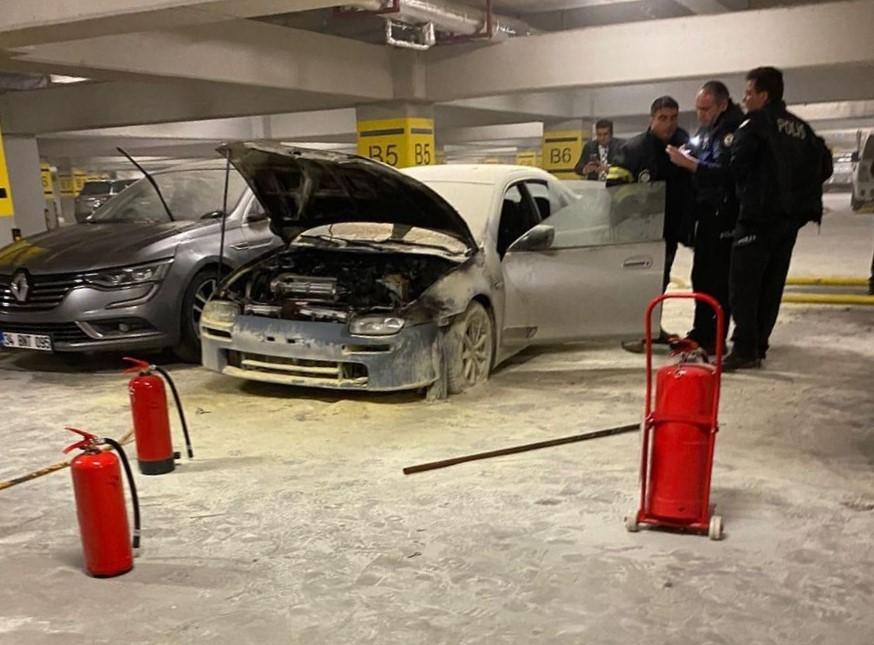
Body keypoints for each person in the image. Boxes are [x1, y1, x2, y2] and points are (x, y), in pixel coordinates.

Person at [724, 66, 833, 371]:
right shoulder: (802, 129)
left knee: (744, 286)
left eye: (749, 93)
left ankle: (744, 349)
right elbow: (824, 167)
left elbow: (738, 164)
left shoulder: (756, 124)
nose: (744, 99)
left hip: (757, 218)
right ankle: (759, 344)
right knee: (772, 284)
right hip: (789, 221)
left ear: (764, 94)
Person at [666, 81, 744, 354]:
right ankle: (702, 332)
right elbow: (700, 149)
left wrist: (691, 164)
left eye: (705, 108)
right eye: (697, 108)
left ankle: (715, 338)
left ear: (722, 105)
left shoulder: (733, 132)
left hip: (724, 216)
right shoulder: (710, 129)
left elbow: (728, 173)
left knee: (718, 281)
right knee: (701, 276)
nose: (700, 114)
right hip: (706, 216)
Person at [613, 96, 694, 350]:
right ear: (652, 119)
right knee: (639, 280)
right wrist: (637, 207)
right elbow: (614, 189)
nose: (668, 124)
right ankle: (637, 329)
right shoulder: (633, 149)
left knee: (662, 278)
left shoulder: (685, 145)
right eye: (662, 118)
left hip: (670, 228)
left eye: (673, 118)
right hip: (639, 230)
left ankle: (653, 327)